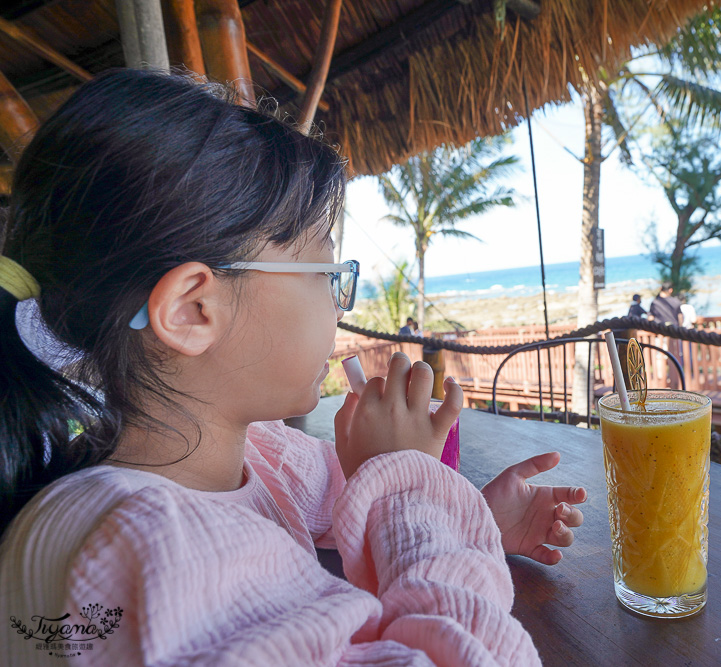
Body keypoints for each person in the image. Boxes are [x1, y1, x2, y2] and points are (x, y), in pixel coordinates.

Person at [0, 69, 586, 666]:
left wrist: (470, 522)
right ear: (194, 310)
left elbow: (346, 503)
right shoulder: (147, 547)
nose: (337, 301)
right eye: (324, 274)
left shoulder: (259, 455)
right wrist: (407, 477)